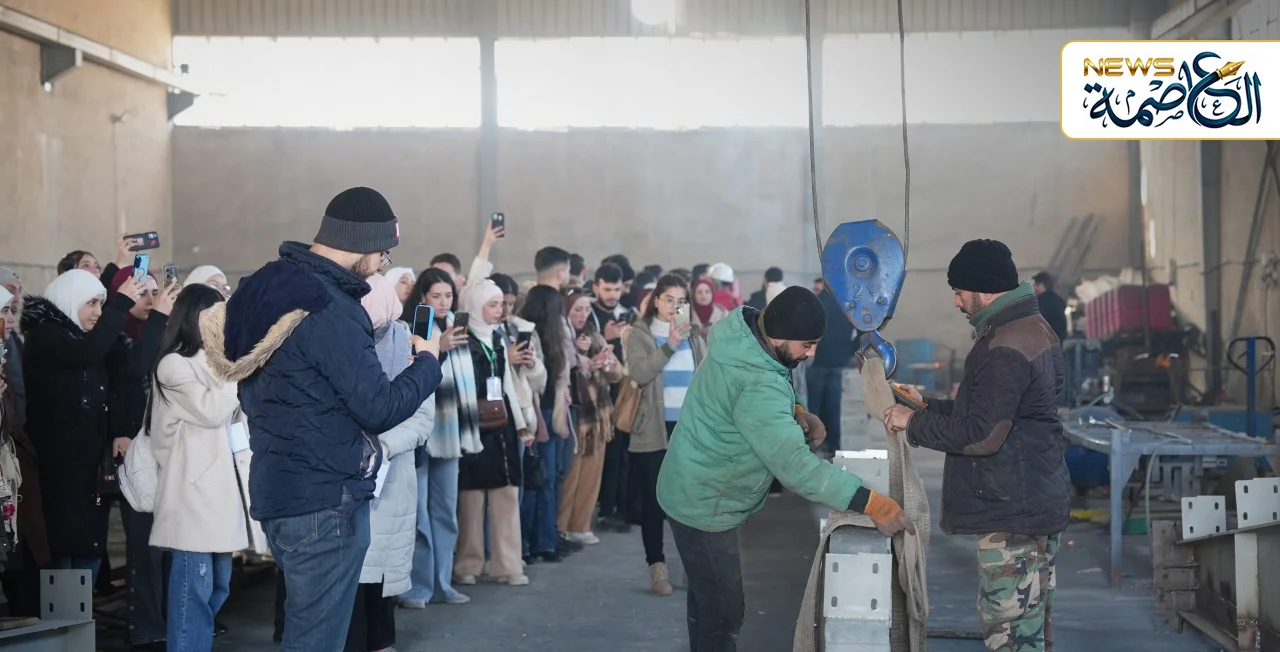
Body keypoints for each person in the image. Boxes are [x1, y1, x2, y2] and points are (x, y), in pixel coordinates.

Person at [201, 187, 443, 652]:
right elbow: (379, 407)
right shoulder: (329, 306)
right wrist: (428, 363)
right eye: (383, 253)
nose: (383, 265)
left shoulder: (269, 287)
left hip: (281, 490)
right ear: (361, 241)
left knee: (306, 634)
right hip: (325, 500)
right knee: (317, 642)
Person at [657, 287, 912, 649]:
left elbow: (773, 378)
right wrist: (871, 503)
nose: (812, 353)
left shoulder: (746, 343)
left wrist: (796, 410)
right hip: (703, 502)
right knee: (724, 612)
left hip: (690, 482)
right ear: (778, 336)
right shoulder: (756, 384)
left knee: (707, 599)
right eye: (807, 345)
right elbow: (797, 468)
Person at [883, 240, 1069, 652]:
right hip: (1036, 496)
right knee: (1031, 628)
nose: (956, 301)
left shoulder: (1004, 346)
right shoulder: (1032, 327)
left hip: (1012, 510)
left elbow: (982, 435)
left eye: (959, 291)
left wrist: (914, 423)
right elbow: (998, 412)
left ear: (983, 292)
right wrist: (926, 405)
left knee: (1010, 631)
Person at [22, 269, 149, 584]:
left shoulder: (85, 337)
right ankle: (62, 612)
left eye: (101, 304)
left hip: (89, 464)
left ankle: (80, 611)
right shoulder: (46, 335)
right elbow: (87, 355)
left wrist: (120, 429)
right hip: (59, 466)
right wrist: (121, 305)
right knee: (63, 548)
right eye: (91, 303)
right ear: (70, 300)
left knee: (88, 546)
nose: (98, 312)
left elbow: (129, 371)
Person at [146, 284, 243, 652]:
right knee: (194, 590)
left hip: (219, 491)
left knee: (219, 585)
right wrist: (234, 370)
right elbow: (212, 410)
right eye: (210, 314)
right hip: (191, 490)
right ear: (190, 317)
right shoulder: (174, 365)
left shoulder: (214, 361)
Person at [348, 274, 435, 652]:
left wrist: (383, 446)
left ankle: (381, 640)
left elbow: (423, 417)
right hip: (344, 469)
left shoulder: (411, 345)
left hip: (390, 471)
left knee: (379, 568)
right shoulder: (339, 342)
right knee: (348, 571)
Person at [105, 267, 178, 650]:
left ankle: (168, 619)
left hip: (166, 449)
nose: (151, 299)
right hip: (134, 451)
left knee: (167, 543)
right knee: (144, 545)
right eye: (141, 292)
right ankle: (146, 624)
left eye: (154, 292)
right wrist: (160, 319)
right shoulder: (114, 336)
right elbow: (132, 372)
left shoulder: (161, 331)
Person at [397, 268, 479, 609]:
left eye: (448, 295)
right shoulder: (411, 329)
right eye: (436, 296)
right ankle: (417, 586)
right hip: (419, 429)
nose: (443, 302)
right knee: (418, 514)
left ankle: (443, 583)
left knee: (445, 510)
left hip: (450, 429)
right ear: (422, 297)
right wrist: (438, 349)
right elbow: (410, 373)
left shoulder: (455, 326)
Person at [624, 274, 708, 596]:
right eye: (669, 299)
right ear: (656, 300)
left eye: (681, 301)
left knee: (690, 501)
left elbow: (706, 378)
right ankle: (657, 568)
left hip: (689, 431)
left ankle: (690, 564)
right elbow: (641, 372)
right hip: (652, 428)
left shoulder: (694, 336)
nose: (674, 306)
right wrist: (670, 344)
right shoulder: (641, 334)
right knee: (653, 501)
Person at [455, 280, 535, 586]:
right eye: (493, 304)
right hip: (473, 426)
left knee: (507, 495)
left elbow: (507, 386)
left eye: (501, 304)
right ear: (475, 306)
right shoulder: (462, 338)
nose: (500, 310)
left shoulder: (499, 338)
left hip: (501, 426)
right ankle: (468, 564)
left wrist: (521, 423)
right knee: (471, 500)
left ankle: (508, 564)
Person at [0, 285, 51, 619]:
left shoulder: (7, 353)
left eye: (9, 311)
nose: (9, 319)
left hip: (16, 469)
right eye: (3, 312)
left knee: (25, 561)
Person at [558, 287, 622, 545]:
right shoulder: (561, 338)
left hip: (597, 417)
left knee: (591, 477)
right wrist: (579, 358)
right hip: (575, 417)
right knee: (570, 477)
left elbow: (618, 374)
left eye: (586, 309)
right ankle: (561, 527)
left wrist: (607, 364)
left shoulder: (595, 336)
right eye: (577, 309)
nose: (582, 314)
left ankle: (581, 526)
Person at [518, 286, 572, 562]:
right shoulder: (526, 334)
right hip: (536, 412)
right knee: (535, 478)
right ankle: (528, 544)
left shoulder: (556, 335)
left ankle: (545, 541)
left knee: (547, 478)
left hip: (553, 411)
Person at [805, 284, 856, 456]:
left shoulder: (816, 302)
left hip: (817, 361)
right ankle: (834, 446)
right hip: (839, 362)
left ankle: (812, 445)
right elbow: (861, 331)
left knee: (813, 407)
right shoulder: (848, 305)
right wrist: (850, 350)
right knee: (835, 409)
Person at [1032, 271, 1068, 344]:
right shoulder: (1059, 300)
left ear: (1041, 285)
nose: (1034, 288)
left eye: (1035, 285)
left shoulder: (1040, 301)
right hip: (1058, 342)